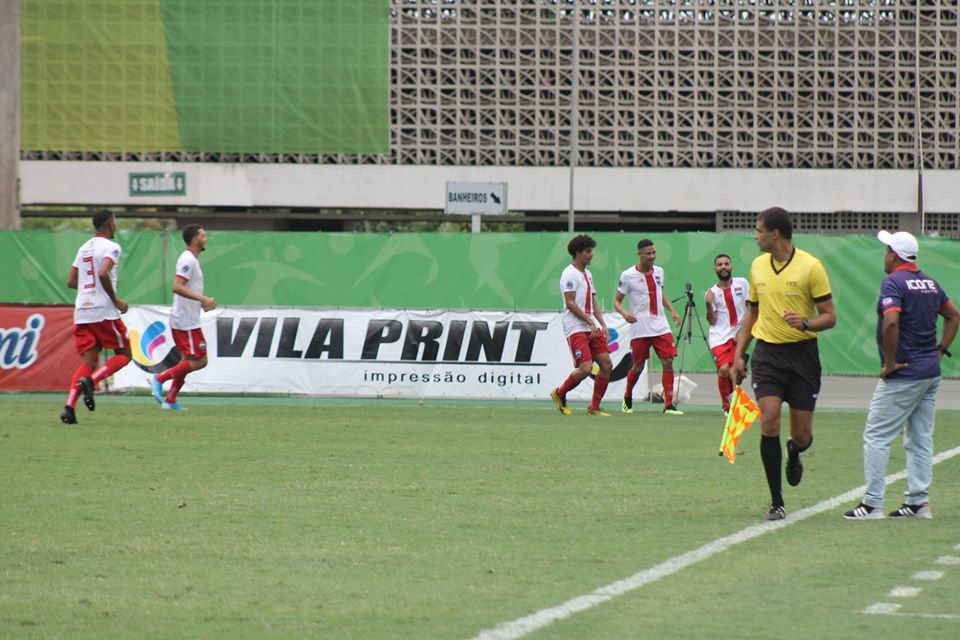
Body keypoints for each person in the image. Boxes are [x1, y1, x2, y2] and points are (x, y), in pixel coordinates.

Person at [843, 231, 959, 520]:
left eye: (886, 250)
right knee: (920, 438)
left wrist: (890, 363)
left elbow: (891, 322)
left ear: (894, 255)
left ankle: (872, 504)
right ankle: (918, 503)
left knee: (877, 435)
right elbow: (954, 316)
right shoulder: (930, 283)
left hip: (904, 373)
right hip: (930, 373)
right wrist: (940, 351)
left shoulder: (893, 281)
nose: (884, 255)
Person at [731, 207, 837, 521]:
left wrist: (805, 323)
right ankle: (777, 502)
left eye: (758, 230)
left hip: (803, 355)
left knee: (802, 436)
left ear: (775, 233)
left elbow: (830, 316)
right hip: (768, 355)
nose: (755, 235)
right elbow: (752, 312)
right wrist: (739, 354)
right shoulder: (757, 266)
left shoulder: (811, 267)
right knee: (769, 420)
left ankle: (795, 451)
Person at [60, 210, 132, 424]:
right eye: (116, 222)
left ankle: (69, 407)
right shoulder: (112, 247)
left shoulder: (83, 248)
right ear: (110, 224)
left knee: (89, 360)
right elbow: (102, 273)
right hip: (103, 311)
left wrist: (87, 291)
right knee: (125, 354)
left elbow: (72, 281)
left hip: (82, 311)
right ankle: (91, 381)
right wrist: (115, 300)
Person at [149, 224, 217, 410]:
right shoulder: (188, 260)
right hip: (186, 321)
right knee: (201, 361)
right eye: (203, 236)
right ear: (195, 240)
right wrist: (202, 299)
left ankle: (170, 400)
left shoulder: (192, 260)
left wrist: (200, 302)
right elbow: (177, 286)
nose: (206, 239)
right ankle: (159, 378)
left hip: (187, 318)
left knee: (186, 360)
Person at [614, 239, 683, 415]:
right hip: (640, 328)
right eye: (648, 253)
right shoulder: (627, 275)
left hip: (660, 326)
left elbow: (660, 293)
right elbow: (617, 301)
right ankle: (627, 396)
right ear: (640, 254)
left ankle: (668, 405)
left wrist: (672, 311)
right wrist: (623, 313)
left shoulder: (659, 272)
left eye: (654, 253)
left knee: (668, 362)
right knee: (637, 367)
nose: (652, 256)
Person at [550, 234, 613, 416]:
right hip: (575, 326)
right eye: (588, 251)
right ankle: (559, 393)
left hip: (590, 325)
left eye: (591, 251)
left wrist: (602, 324)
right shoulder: (568, 273)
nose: (591, 254)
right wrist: (590, 321)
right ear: (578, 253)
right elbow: (570, 302)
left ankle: (594, 408)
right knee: (585, 368)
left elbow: (592, 300)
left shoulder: (588, 274)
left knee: (606, 364)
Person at [706, 254, 750, 414]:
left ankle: (731, 406)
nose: (723, 267)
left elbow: (751, 309)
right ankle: (727, 405)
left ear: (731, 266)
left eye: (726, 264)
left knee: (735, 372)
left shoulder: (742, 284)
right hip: (719, 337)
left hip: (739, 335)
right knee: (724, 369)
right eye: (720, 265)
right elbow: (712, 321)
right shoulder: (711, 292)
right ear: (715, 269)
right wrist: (708, 304)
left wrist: (743, 330)